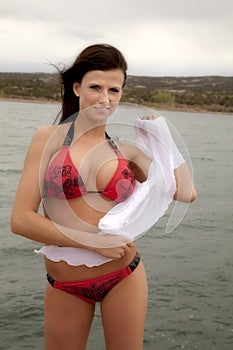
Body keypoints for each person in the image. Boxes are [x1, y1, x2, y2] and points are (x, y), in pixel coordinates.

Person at [11, 43, 196, 350]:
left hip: (124, 276)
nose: (104, 99)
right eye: (95, 87)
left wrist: (164, 142)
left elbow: (186, 193)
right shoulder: (48, 140)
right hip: (66, 284)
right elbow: (20, 220)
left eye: (115, 90)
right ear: (76, 87)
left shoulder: (127, 151)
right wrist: (92, 240)